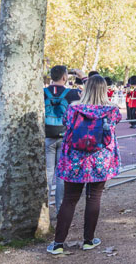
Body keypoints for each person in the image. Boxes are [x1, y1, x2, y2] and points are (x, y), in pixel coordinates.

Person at [47, 75, 121, 255]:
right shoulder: (112, 110)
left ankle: (58, 243)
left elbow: (66, 123)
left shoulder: (73, 108)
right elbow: (114, 124)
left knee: (69, 200)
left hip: (75, 159)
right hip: (100, 159)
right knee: (94, 197)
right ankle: (88, 240)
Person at [44, 66, 85, 216]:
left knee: (48, 173)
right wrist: (83, 76)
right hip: (66, 136)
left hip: (47, 135)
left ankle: (45, 208)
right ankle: (60, 209)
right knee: (61, 176)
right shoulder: (72, 93)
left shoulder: (42, 92)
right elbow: (92, 94)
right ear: (64, 77)